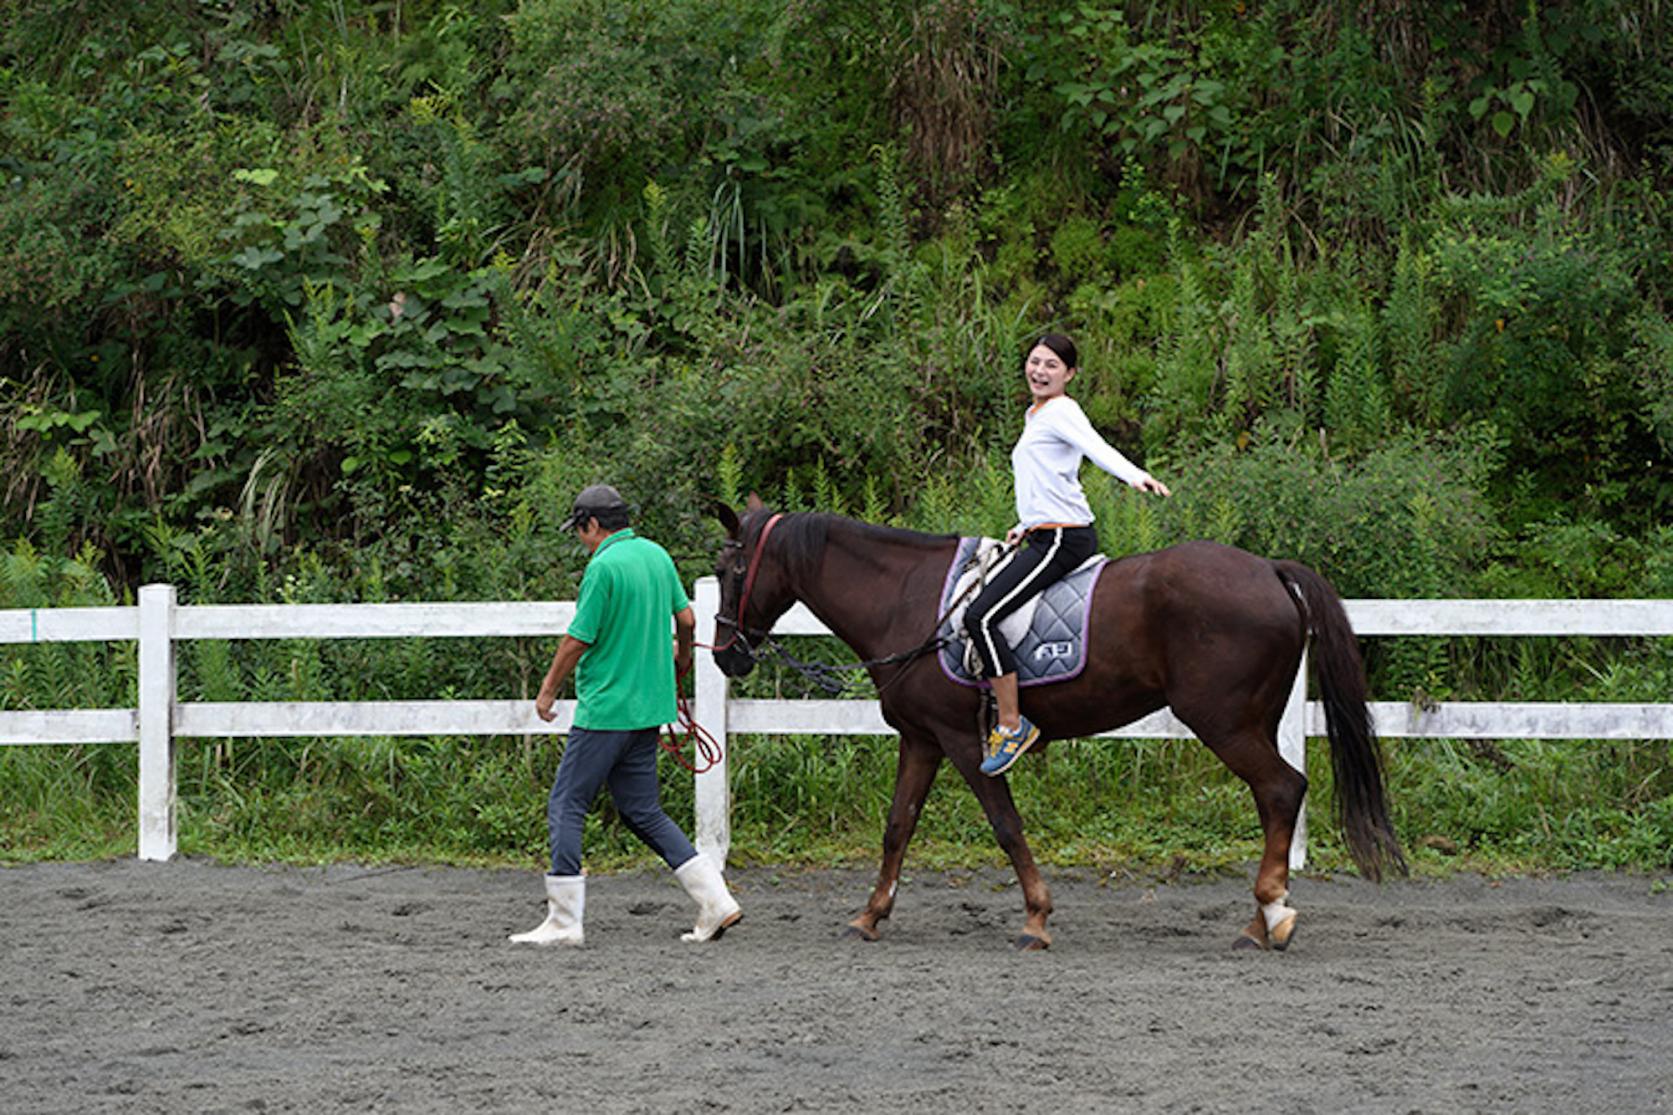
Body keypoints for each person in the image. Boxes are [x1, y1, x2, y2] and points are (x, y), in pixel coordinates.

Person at [511, 484, 741, 946]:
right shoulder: (657, 556)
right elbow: (689, 622)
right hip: (649, 707)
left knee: (567, 803)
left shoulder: (603, 567)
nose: (582, 540)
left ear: (591, 525)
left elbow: (578, 638)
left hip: (607, 709)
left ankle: (563, 921)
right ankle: (716, 901)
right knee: (642, 810)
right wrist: (681, 664)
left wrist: (547, 689)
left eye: (581, 531)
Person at [964, 334, 1172, 777]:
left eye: (1052, 365)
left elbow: (1097, 449)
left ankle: (1011, 723)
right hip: (1042, 534)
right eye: (1035, 362)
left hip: (1063, 539)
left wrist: (1136, 477)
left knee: (978, 617)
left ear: (1070, 374)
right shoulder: (1036, 414)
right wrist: (1024, 525)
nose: (1040, 371)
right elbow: (1048, 480)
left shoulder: (1062, 411)